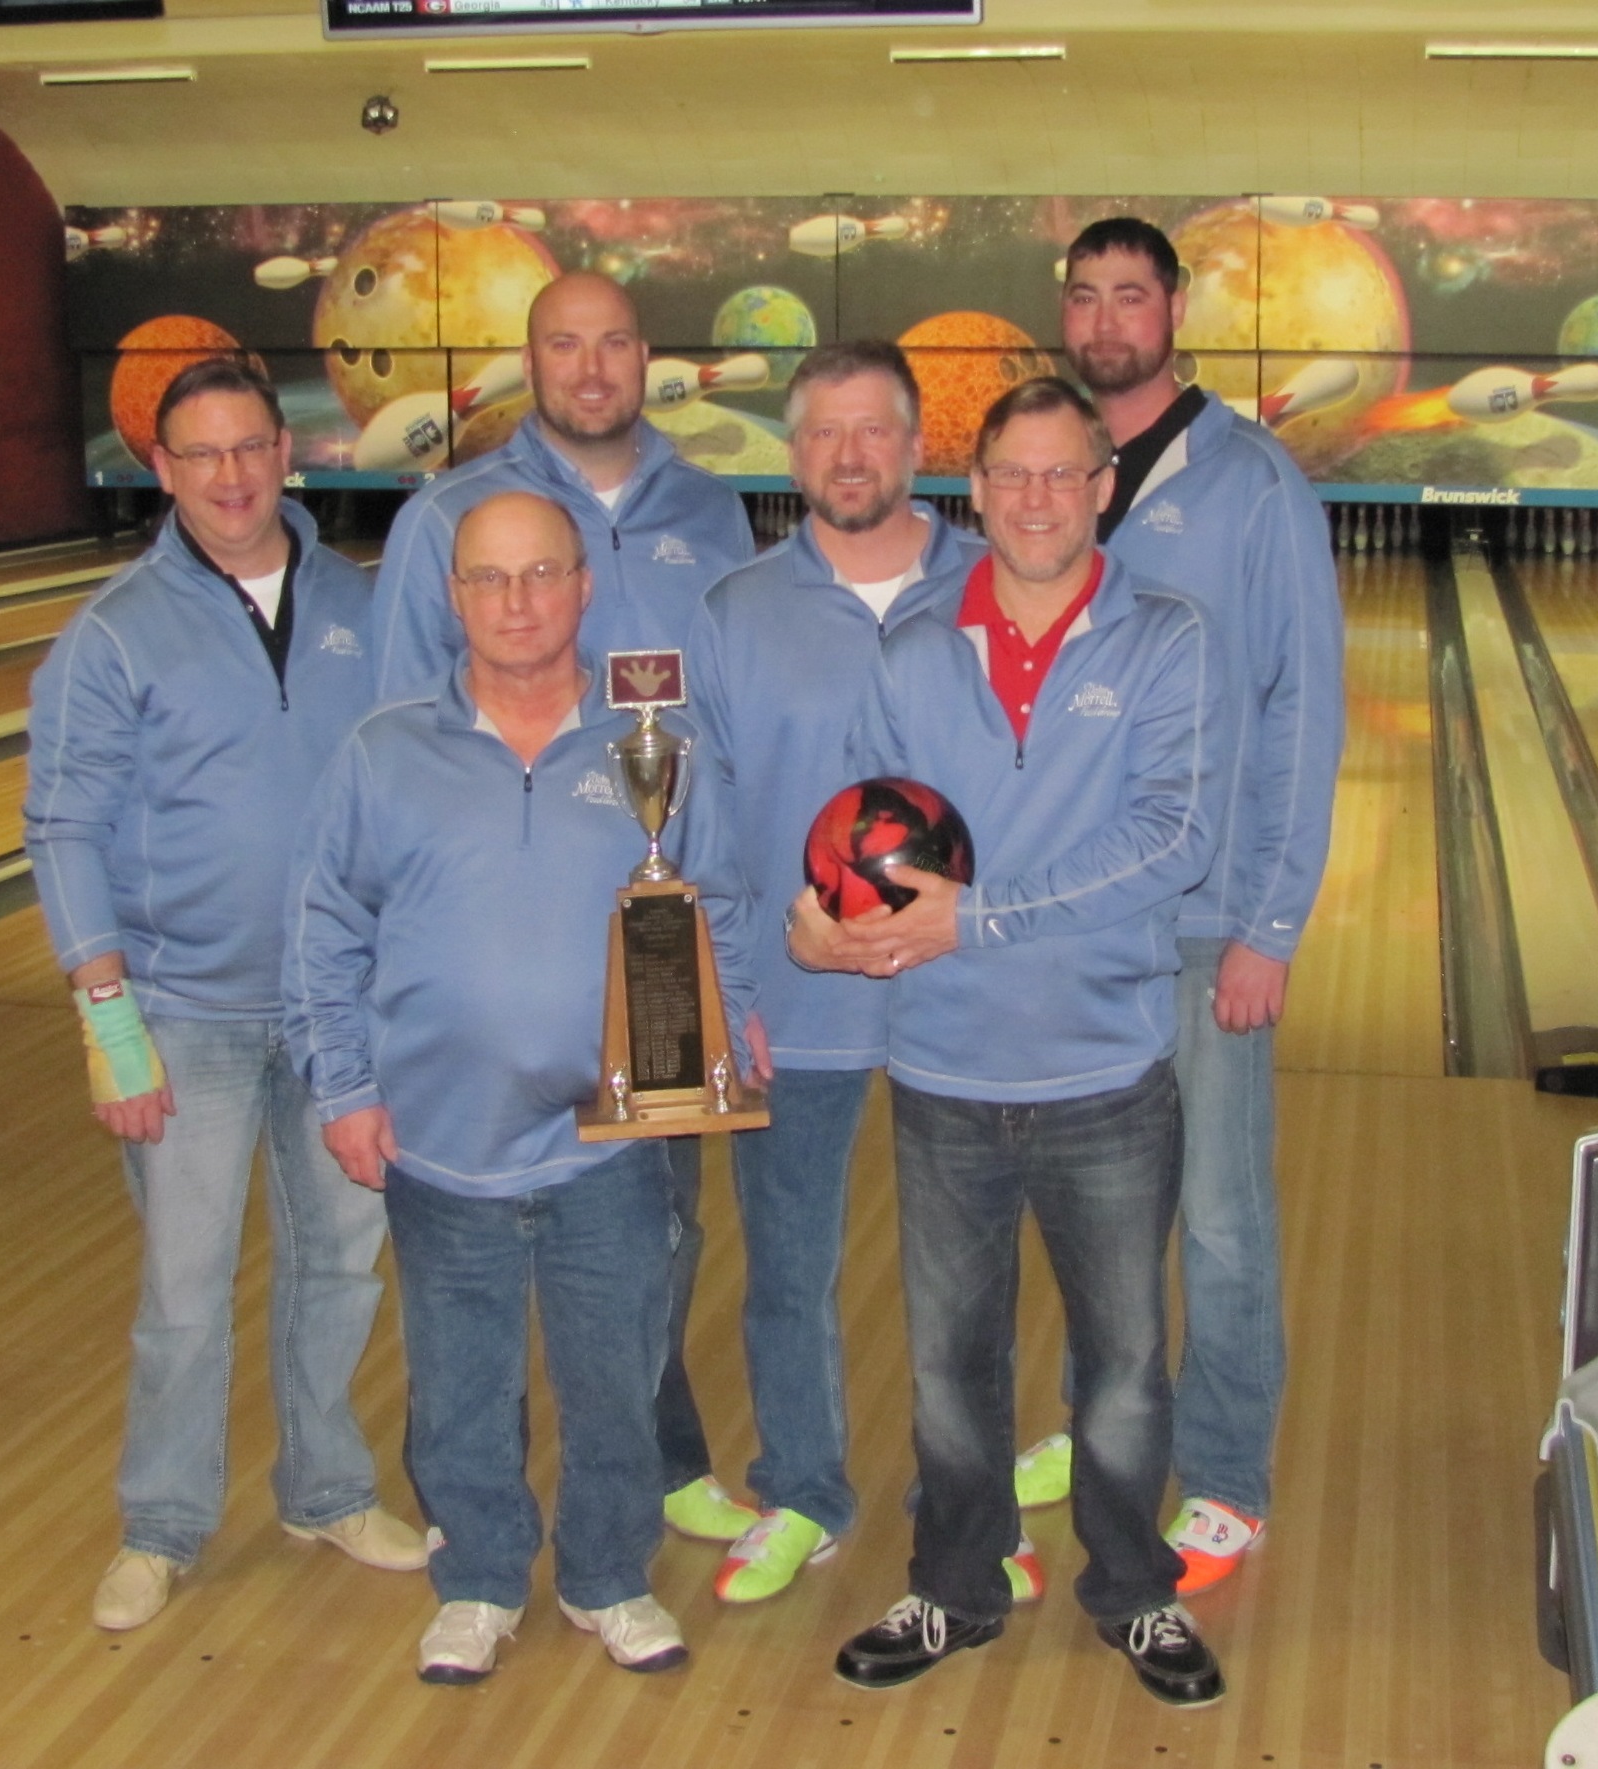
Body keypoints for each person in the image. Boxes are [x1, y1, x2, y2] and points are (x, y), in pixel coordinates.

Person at [804, 377, 1231, 1706]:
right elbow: (862, 831)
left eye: (1063, 474)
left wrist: (975, 918)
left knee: (1123, 1368)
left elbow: (1172, 838)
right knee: (948, 1369)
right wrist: (825, 921)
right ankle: (954, 1585)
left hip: (1105, 1074)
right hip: (941, 1074)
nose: (1037, 498)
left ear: (1102, 487)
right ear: (975, 491)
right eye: (1012, 475)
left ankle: (1134, 1590)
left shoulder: (1167, 638)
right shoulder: (913, 650)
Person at [286, 491, 760, 1685]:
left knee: (618, 1377)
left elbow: (719, 896)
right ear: (453, 596)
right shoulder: (386, 749)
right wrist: (344, 1087)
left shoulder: (652, 739)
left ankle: (608, 1574)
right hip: (441, 1140)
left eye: (542, 573)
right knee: (458, 1386)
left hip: (611, 1141)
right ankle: (481, 1579)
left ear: (583, 586)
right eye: (489, 578)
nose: (516, 602)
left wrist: (731, 1020)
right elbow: (326, 929)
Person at [24, 356, 427, 1634]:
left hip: (339, 1010)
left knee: (341, 1266)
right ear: (161, 469)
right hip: (181, 1009)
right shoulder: (113, 631)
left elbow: (409, 783)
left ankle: (326, 1488)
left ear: (287, 452)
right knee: (184, 1289)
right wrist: (108, 1021)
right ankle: (161, 1522)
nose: (233, 475)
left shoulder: (360, 600)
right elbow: (63, 823)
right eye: (201, 454)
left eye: (251, 446)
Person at [370, 272, 762, 1549]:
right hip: (494, 945)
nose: (590, 368)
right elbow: (392, 747)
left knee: (655, 1227)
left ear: (645, 357)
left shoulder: (710, 509)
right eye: (562, 344)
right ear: (528, 359)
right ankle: (472, 1503)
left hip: (656, 943)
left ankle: (653, 1459)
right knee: (470, 1246)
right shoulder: (445, 516)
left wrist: (733, 959)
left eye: (612, 344)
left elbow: (728, 729)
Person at [1009, 218, 1344, 1601]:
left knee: (1215, 1213)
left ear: (1175, 308)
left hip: (1206, 922)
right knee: (1099, 1208)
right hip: (1084, 918)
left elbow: (1303, 706)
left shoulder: (1252, 485)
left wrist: (1270, 924)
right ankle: (1107, 1427)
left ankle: (1222, 1473)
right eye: (1084, 297)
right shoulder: (1060, 478)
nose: (1105, 321)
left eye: (1129, 296)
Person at [686, 340, 1014, 1604]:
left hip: (962, 998)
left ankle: (967, 1506)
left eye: (872, 428)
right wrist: (738, 976)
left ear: (920, 442)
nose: (848, 453)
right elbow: (702, 820)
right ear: (791, 452)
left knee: (966, 1277)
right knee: (787, 1270)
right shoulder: (733, 610)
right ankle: (802, 1489)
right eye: (822, 431)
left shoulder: (998, 585)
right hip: (794, 1000)